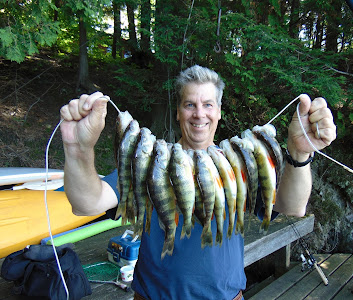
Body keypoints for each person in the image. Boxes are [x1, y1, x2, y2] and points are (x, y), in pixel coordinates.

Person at [60, 65, 336, 300]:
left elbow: (292, 206)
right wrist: (77, 149)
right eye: (189, 104)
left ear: (218, 111)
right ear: (178, 111)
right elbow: (86, 203)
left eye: (207, 105)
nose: (199, 114)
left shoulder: (238, 164)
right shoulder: (151, 163)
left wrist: (300, 154)